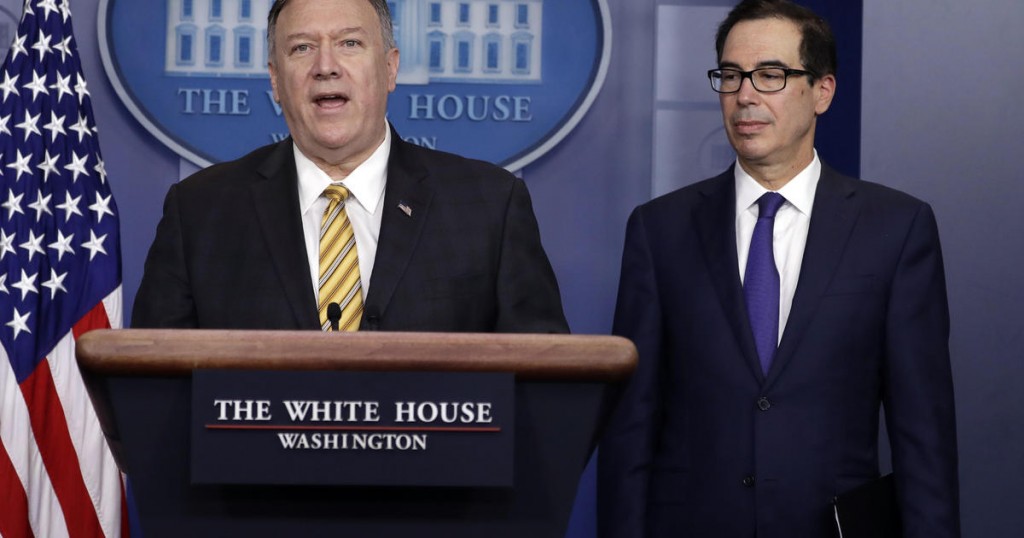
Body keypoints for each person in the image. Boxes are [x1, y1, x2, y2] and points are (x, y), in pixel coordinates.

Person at [597, 1, 959, 537]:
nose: (745, 95)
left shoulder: (895, 228)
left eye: (770, 75)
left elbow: (923, 434)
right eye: (731, 75)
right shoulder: (660, 230)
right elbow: (630, 427)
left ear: (822, 91)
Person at [132, 0, 568, 334]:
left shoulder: (490, 206)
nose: (326, 67)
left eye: (350, 44)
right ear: (275, 80)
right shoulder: (200, 212)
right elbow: (153, 387)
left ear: (390, 68)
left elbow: (544, 386)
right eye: (302, 48)